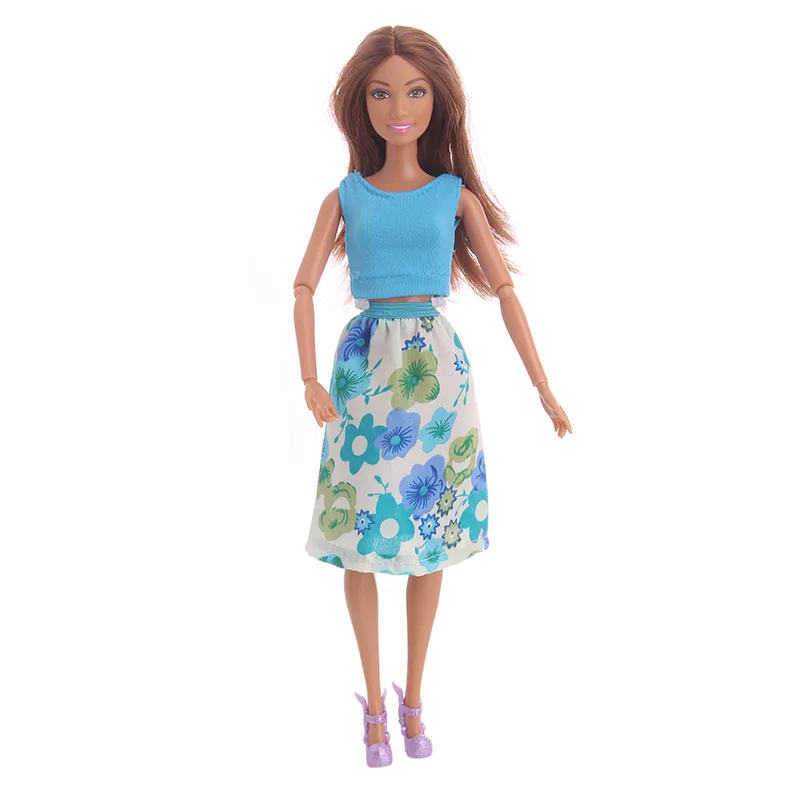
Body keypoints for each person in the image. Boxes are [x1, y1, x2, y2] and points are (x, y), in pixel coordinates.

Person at [292, 25, 572, 768]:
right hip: (362, 371)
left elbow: (506, 293)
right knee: (358, 536)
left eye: (414, 91)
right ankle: (372, 707)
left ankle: (413, 697)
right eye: (381, 93)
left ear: (438, 100)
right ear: (361, 104)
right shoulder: (346, 196)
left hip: (436, 373)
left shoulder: (454, 197)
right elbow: (303, 287)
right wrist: (309, 378)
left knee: (429, 539)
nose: (399, 108)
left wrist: (543, 386)